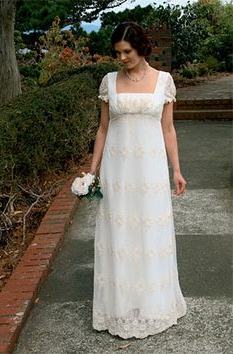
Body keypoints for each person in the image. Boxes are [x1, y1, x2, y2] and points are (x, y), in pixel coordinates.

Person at [89, 22, 187, 339]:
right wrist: (92, 172)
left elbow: (168, 129)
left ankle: (152, 304)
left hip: (150, 171)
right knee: (120, 233)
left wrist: (176, 169)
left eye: (127, 52)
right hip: (117, 172)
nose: (122, 58)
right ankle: (120, 306)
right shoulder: (108, 82)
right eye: (117, 53)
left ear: (141, 47)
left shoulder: (164, 82)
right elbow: (103, 129)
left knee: (149, 233)